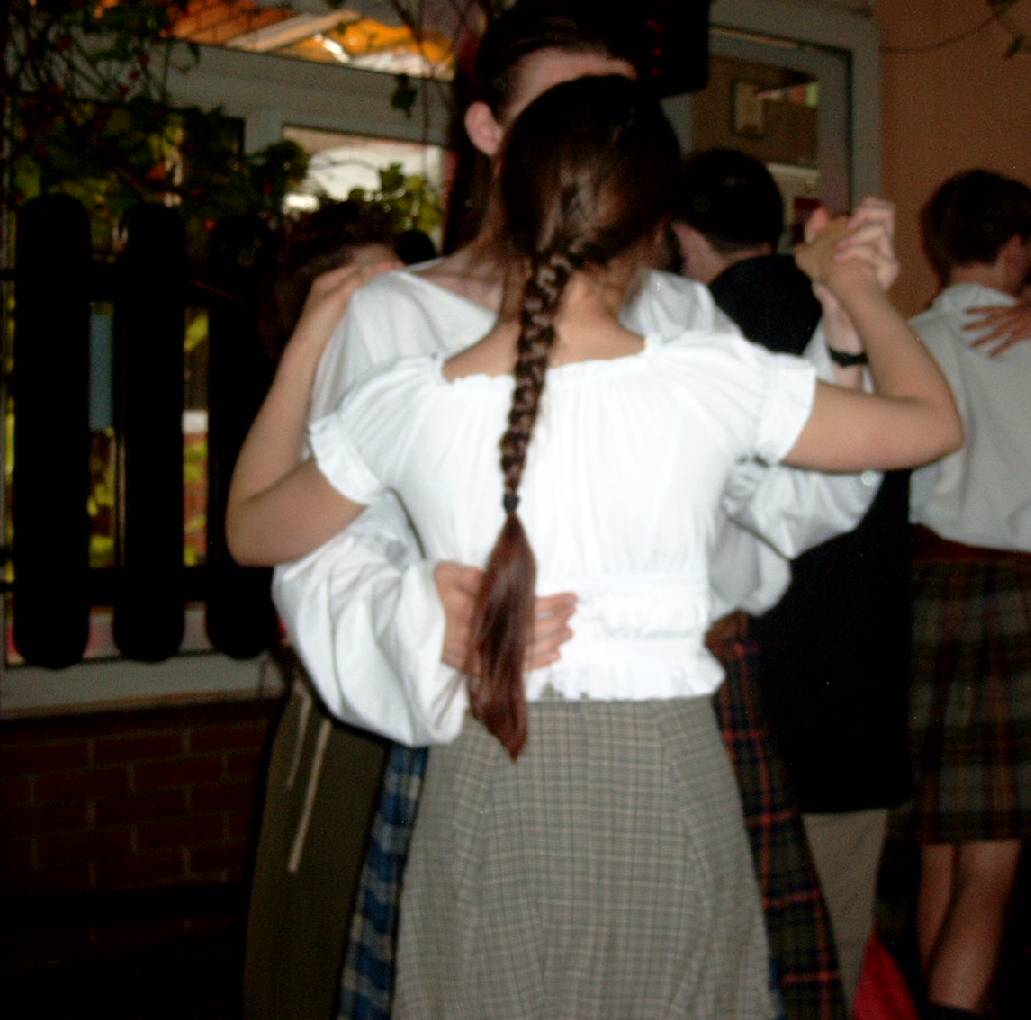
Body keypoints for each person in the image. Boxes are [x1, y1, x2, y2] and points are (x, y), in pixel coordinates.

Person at [227, 74, 964, 1019]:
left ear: (508, 198)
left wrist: (307, 345)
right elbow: (931, 421)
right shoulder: (710, 376)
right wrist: (853, 289)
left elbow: (251, 530)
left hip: (489, 764)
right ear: (657, 231)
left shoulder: (408, 399)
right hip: (668, 771)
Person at [672, 148, 915, 1009]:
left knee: (711, 951)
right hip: (856, 687)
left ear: (679, 235)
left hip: (738, 693)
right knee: (828, 954)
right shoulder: (862, 316)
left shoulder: (685, 340)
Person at [901, 171, 1031, 1020]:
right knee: (992, 864)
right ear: (1018, 249)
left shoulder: (909, 340)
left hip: (926, 594)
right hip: (1023, 595)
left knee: (938, 851)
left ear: (939, 246)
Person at [242, 202, 402, 1020]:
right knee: (318, 945)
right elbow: (250, 531)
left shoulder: (429, 390)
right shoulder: (318, 414)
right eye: (370, 291)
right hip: (346, 728)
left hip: (442, 721)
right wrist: (307, 343)